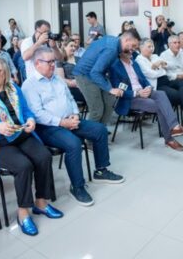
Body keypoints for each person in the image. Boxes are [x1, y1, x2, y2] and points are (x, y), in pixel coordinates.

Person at [0, 57, 61, 236]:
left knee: (44, 157)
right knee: (23, 166)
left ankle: (41, 203)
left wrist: (31, 120)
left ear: (5, 73)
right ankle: (23, 212)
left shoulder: (14, 89)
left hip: (21, 134)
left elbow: (26, 111)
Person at [22, 48, 124, 206]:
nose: (52, 65)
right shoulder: (30, 85)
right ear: (37, 64)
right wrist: (62, 122)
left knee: (100, 130)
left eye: (53, 62)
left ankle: (101, 170)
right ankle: (77, 186)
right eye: (48, 62)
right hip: (47, 127)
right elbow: (37, 114)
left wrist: (75, 115)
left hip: (70, 119)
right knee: (74, 144)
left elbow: (70, 99)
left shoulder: (57, 79)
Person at [111, 49, 183, 151]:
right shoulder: (114, 67)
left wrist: (148, 87)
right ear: (120, 53)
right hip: (131, 98)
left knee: (161, 94)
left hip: (143, 91)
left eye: (131, 50)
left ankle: (175, 127)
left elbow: (144, 79)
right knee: (158, 105)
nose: (130, 52)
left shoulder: (134, 64)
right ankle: (169, 139)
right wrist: (137, 93)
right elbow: (119, 91)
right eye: (127, 51)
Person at [73, 29, 140, 125]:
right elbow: (95, 73)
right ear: (126, 40)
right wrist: (110, 89)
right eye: (133, 46)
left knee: (110, 102)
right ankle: (90, 138)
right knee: (97, 110)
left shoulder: (114, 41)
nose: (132, 50)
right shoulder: (112, 49)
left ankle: (101, 131)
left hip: (98, 74)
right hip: (85, 75)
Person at [136, 38, 183, 129]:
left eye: (152, 46)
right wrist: (162, 70)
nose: (151, 48)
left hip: (166, 80)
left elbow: (172, 65)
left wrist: (162, 63)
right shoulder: (139, 60)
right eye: (149, 47)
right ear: (141, 47)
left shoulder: (155, 56)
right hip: (157, 85)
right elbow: (151, 74)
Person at [55, 38, 85, 103]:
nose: (73, 48)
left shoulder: (79, 59)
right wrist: (74, 83)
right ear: (65, 47)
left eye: (74, 46)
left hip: (83, 84)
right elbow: (61, 79)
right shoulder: (61, 60)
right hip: (71, 88)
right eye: (71, 46)